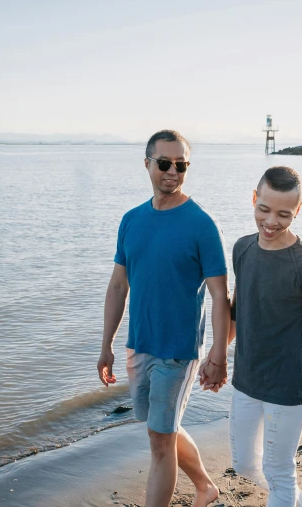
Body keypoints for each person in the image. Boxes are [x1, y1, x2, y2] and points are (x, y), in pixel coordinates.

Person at [97, 130, 230, 507]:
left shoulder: (202, 224)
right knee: (160, 431)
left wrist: (218, 357)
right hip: (139, 344)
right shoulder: (131, 220)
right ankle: (206, 486)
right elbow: (118, 286)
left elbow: (221, 295)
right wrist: (105, 345)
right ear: (147, 164)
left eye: (181, 165)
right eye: (164, 164)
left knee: (159, 442)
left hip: (178, 350)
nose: (173, 172)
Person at [203, 166, 302, 507]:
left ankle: (285, 495)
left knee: (277, 470)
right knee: (245, 464)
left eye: (283, 214)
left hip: (287, 387)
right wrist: (216, 358)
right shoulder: (242, 249)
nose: (271, 221)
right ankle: (296, 500)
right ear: (253, 199)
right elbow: (237, 310)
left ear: (298, 210)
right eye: (264, 209)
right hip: (247, 379)